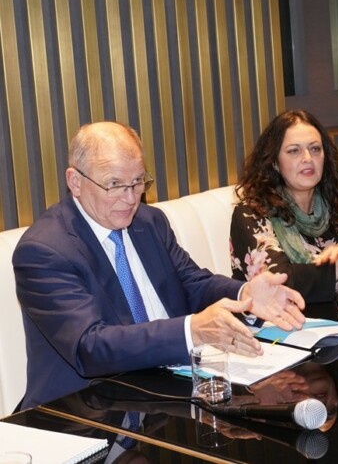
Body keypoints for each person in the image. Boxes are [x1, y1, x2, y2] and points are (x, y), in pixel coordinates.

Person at [12, 121, 305, 410]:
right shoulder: (45, 251)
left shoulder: (149, 222)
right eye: (114, 184)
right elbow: (90, 347)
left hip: (169, 391)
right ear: (75, 182)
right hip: (87, 411)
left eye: (138, 182)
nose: (130, 198)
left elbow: (192, 283)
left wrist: (245, 295)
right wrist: (192, 331)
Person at [230, 109, 338, 303]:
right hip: (276, 321)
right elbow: (280, 284)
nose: (308, 158)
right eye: (294, 151)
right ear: (274, 162)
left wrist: (330, 276)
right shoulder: (251, 213)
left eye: (315, 149)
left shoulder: (336, 201)